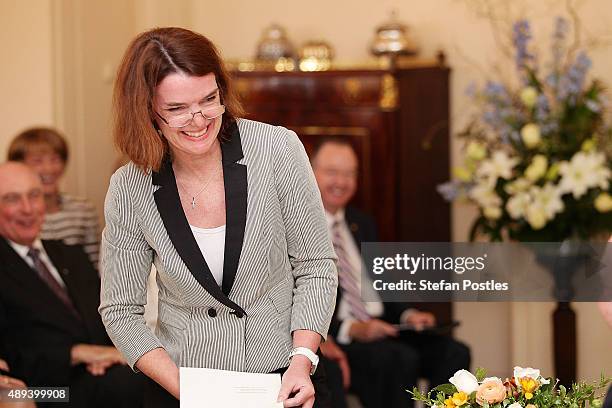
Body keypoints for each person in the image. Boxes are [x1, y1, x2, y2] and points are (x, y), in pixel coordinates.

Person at [98, 27, 337, 408]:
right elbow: (120, 310)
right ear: (147, 112)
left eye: (209, 100)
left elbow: (315, 265)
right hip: (183, 384)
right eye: (176, 109)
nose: (198, 120)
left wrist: (303, 360)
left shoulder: (277, 149)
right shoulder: (129, 187)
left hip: (284, 377)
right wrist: (187, 391)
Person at [311, 137, 471, 408]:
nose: (341, 181)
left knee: (454, 353)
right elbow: (295, 298)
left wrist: (409, 315)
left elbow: (384, 285)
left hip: (385, 327)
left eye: (349, 173)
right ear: (311, 172)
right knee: (398, 359)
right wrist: (354, 329)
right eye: (332, 172)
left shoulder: (361, 223)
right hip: (340, 337)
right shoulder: (301, 227)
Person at [0, 162, 143, 407]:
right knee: (131, 385)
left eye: (34, 196)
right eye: (12, 199)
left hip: (102, 372)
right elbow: (9, 350)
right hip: (42, 390)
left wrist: (108, 355)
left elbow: (108, 315)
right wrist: (75, 353)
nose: (27, 209)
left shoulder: (71, 255)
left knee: (151, 376)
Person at [8, 127, 100, 268]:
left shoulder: (83, 210)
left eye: (55, 159)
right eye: (38, 161)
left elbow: (96, 266)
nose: (49, 169)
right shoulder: (17, 216)